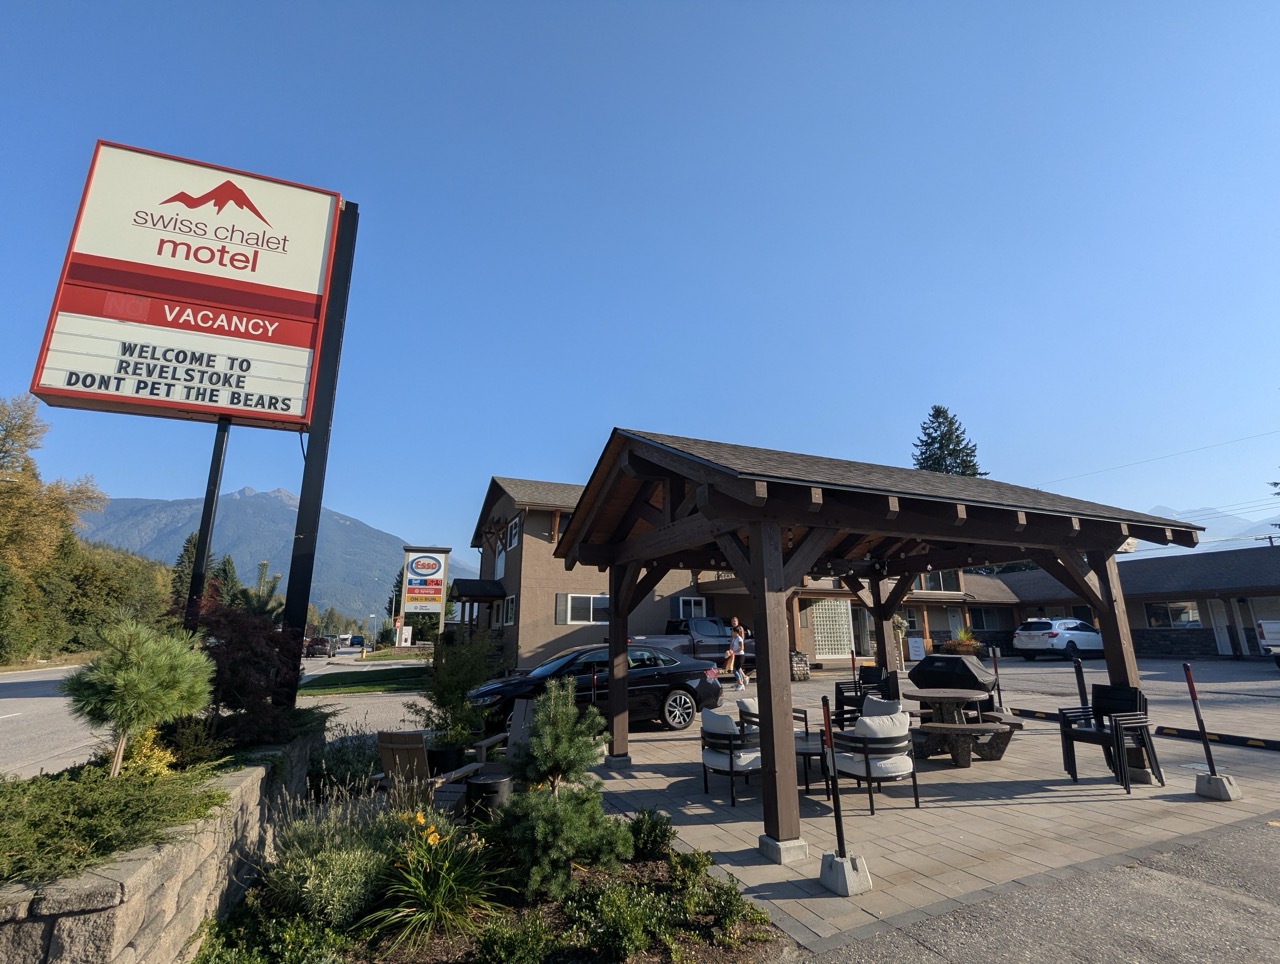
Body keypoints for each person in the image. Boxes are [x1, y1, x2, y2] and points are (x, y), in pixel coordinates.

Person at [729, 623, 748, 691]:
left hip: (740, 656)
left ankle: (740, 684)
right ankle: (739, 682)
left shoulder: (739, 638)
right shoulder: (734, 638)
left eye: (732, 632)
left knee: (735, 670)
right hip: (735, 656)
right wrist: (730, 651)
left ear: (735, 632)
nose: (731, 633)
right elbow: (732, 646)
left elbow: (741, 648)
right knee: (736, 669)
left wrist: (734, 651)